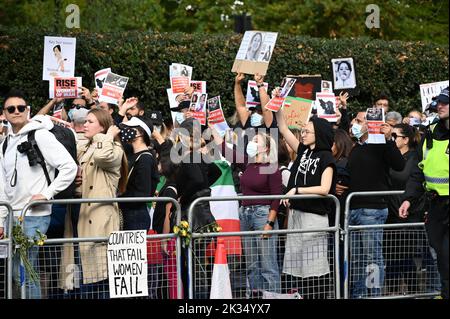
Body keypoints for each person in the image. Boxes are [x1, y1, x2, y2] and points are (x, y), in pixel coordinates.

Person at [0, 89, 78, 299]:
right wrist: (1, 219)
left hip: (34, 215)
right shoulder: (5, 143)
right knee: (18, 272)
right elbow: (3, 185)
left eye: (21, 108)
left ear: (28, 110)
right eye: (11, 109)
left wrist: (47, 193)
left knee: (26, 270)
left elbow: (69, 167)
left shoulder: (40, 135)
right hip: (12, 217)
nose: (16, 111)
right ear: (4, 114)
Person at [60, 108, 128, 298]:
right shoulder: (85, 147)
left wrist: (107, 136)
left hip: (97, 221)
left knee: (97, 280)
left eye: (90, 121)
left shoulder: (114, 149)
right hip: (77, 217)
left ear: (103, 126)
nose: (85, 125)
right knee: (79, 278)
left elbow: (102, 157)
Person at [210, 123, 282, 295]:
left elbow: (276, 197)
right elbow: (225, 149)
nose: (252, 143)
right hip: (245, 215)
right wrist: (213, 125)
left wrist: (269, 223)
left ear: (265, 148)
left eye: (256, 141)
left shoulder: (272, 168)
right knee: (251, 265)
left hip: (263, 216)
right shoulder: (247, 164)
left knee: (268, 265)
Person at [276, 104, 337, 299]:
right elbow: (284, 128)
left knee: (314, 266)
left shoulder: (326, 157)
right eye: (302, 130)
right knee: (297, 266)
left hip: (314, 217)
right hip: (296, 215)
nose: (303, 134)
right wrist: (276, 104)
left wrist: (297, 190)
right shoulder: (303, 151)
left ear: (318, 133)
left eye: (307, 131)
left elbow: (325, 188)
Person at [345, 110, 405, 298]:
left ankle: (374, 295)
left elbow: (399, 165)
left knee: (372, 259)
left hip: (372, 209)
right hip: (353, 209)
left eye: (360, 120)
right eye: (355, 120)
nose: (355, 123)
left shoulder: (381, 145)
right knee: (356, 260)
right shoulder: (356, 147)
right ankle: (358, 295)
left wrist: (388, 140)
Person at [399, 86, 449, 299]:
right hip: (436, 205)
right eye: (439, 101)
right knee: (441, 255)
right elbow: (418, 173)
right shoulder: (430, 133)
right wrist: (409, 199)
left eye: (445, 102)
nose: (440, 105)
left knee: (447, 254)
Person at [118, 116, 155, 230]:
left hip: (135, 217)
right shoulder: (132, 155)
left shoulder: (145, 159)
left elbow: (142, 193)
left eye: (129, 128)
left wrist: (119, 198)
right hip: (128, 214)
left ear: (140, 133)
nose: (125, 131)